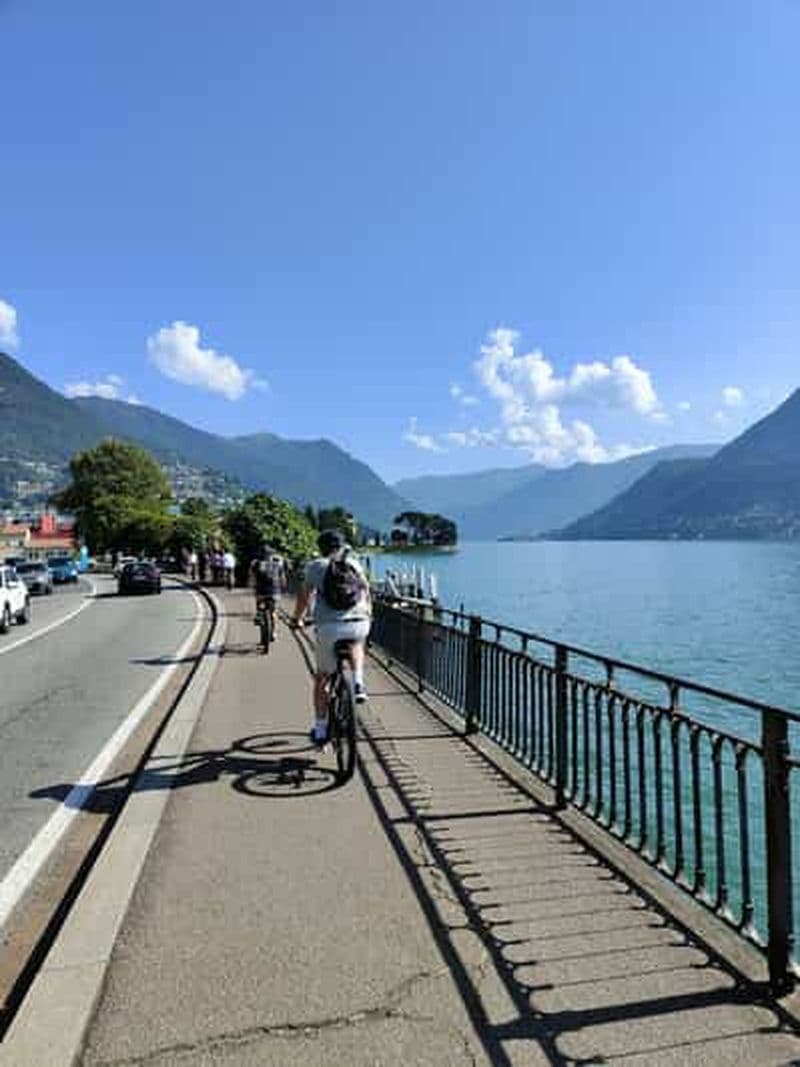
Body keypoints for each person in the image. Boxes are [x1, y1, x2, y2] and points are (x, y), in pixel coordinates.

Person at [291, 529, 371, 746]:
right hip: (359, 622)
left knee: (322, 677)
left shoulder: (315, 566)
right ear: (341, 546)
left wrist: (296, 619)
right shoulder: (354, 564)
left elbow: (304, 595)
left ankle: (320, 730)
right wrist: (367, 615)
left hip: (329, 627)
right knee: (357, 643)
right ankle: (358, 682)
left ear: (321, 548)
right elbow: (366, 590)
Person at [250, 544, 286, 635]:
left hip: (261, 591)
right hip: (275, 590)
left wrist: (252, 587)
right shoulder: (277, 564)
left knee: (259, 603)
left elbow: (252, 578)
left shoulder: (256, 563)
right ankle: (274, 632)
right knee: (274, 612)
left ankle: (259, 615)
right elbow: (283, 578)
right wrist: (283, 587)